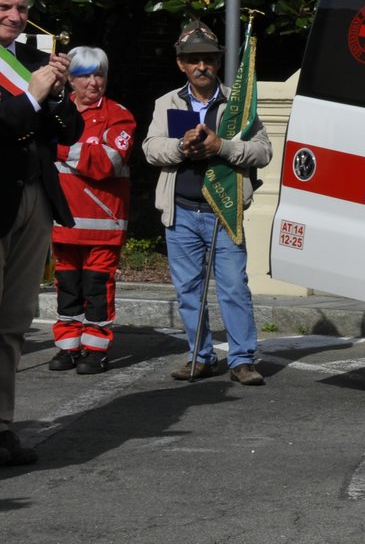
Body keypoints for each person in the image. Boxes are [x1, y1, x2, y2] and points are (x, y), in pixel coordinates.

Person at [142, 19, 271, 386]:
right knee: (188, 291)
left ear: (217, 62)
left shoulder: (239, 104)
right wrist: (181, 147)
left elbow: (263, 151)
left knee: (233, 286)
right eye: (193, 59)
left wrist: (222, 147)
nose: (202, 66)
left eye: (208, 59)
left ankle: (242, 359)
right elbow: (150, 150)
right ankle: (200, 357)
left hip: (223, 211)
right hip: (180, 211)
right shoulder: (165, 103)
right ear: (181, 64)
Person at [0, 0, 83, 468]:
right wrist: (32, 92)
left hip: (33, 195)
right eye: (4, 7)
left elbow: (67, 130)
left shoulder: (25, 60)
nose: (15, 16)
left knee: (13, 322)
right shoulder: (21, 74)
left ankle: (2, 425)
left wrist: (55, 91)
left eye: (22, 8)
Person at [48, 46, 136, 375]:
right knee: (67, 284)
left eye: (99, 74)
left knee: (97, 288)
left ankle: (95, 350)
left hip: (104, 222)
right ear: (70, 80)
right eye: (85, 75)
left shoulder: (120, 116)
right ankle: (68, 346)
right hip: (63, 218)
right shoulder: (55, 110)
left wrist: (57, 148)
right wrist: (80, 150)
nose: (93, 82)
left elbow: (105, 164)